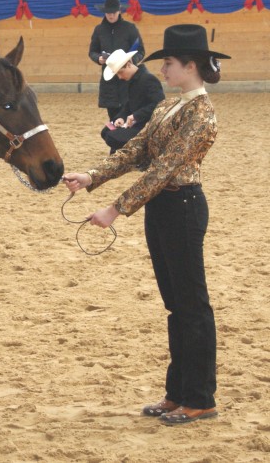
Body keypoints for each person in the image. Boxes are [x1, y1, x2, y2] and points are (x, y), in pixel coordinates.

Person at [64, 24, 229, 426]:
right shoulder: (170, 105)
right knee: (177, 306)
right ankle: (178, 393)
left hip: (183, 207)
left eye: (169, 63)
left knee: (192, 305)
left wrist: (114, 209)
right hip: (164, 209)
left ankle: (200, 397)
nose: (164, 70)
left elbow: (164, 168)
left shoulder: (202, 115)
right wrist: (93, 175)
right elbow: (137, 149)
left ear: (190, 66)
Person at [89, 0, 145, 122]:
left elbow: (140, 51)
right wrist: (98, 59)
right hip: (109, 80)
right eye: (108, 12)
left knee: (129, 115)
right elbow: (92, 51)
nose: (111, 15)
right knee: (113, 118)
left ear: (119, 11)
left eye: (113, 12)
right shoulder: (99, 30)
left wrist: (131, 60)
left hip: (127, 78)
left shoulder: (130, 28)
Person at [100, 48, 165, 154]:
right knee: (106, 131)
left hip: (145, 125)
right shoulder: (132, 80)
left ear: (129, 64)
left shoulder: (148, 79)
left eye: (120, 73)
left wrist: (135, 116)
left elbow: (159, 104)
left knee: (113, 137)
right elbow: (129, 105)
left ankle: (139, 155)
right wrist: (120, 117)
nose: (120, 77)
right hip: (132, 123)